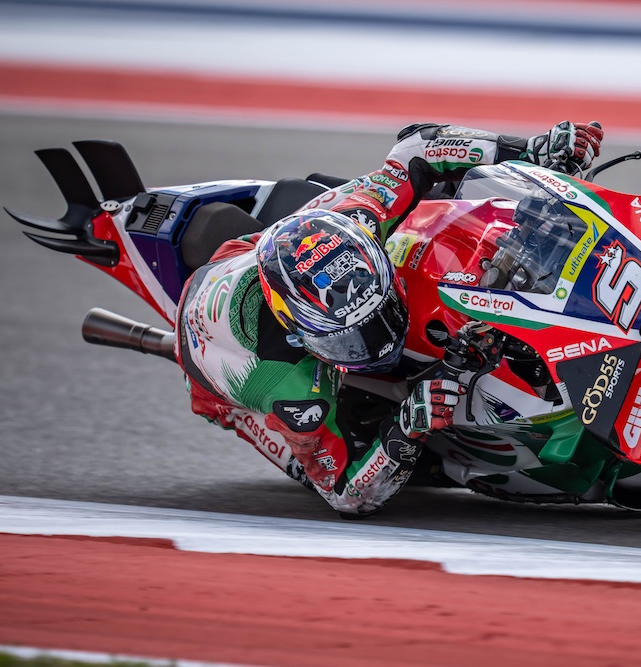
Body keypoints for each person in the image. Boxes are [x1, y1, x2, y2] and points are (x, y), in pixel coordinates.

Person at [177, 121, 604, 516]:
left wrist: (529, 149)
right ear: (299, 332)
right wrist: (408, 423)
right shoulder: (286, 386)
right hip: (218, 370)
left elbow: (416, 146)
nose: (378, 339)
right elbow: (344, 493)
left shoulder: (359, 218)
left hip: (263, 250)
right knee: (356, 457)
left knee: (442, 201)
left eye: (379, 315)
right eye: (351, 338)